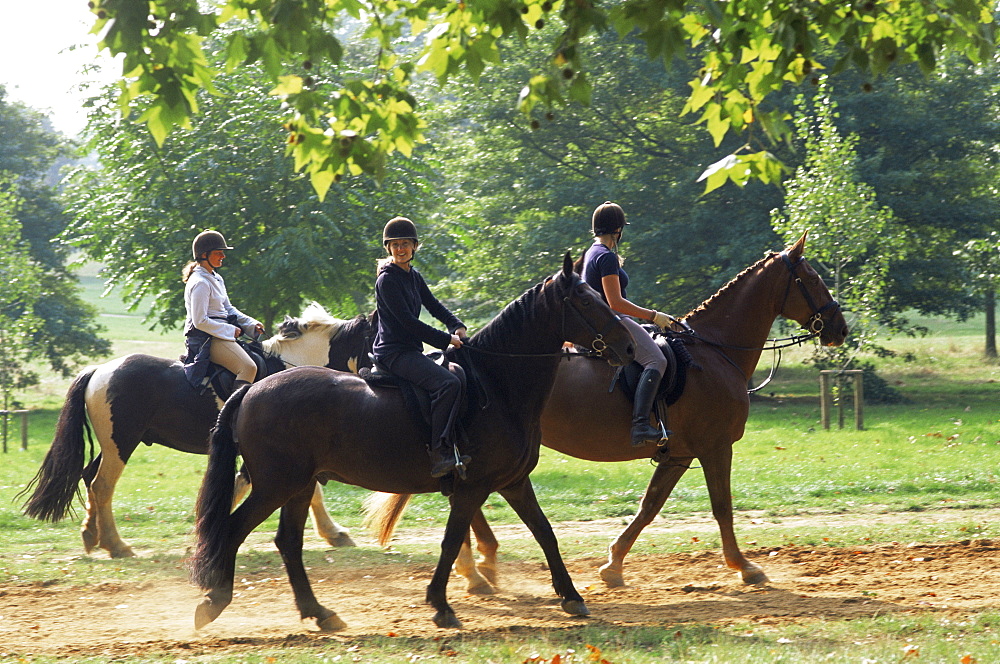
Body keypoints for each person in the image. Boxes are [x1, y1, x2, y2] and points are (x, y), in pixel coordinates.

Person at [373, 216, 469, 478]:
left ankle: (455, 441)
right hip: (394, 352)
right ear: (388, 248)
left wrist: (455, 323)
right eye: (395, 245)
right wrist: (446, 340)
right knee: (448, 384)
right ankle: (439, 451)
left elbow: (434, 305)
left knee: (459, 374)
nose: (401, 249)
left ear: (415, 246)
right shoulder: (388, 280)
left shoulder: (413, 276)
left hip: (410, 350)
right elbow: (408, 323)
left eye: (406, 243)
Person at [582, 202, 671, 446]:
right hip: (612, 321)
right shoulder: (606, 258)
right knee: (657, 360)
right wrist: (653, 316)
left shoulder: (592, 252)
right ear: (618, 229)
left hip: (604, 321)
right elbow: (615, 302)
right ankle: (640, 425)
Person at [182, 230, 264, 392]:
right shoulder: (200, 283)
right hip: (206, 339)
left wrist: (251, 324)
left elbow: (228, 309)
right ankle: (235, 413)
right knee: (248, 367)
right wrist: (230, 329)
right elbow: (200, 321)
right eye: (218, 253)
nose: (223, 256)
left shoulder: (216, 278)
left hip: (218, 335)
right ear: (205, 255)